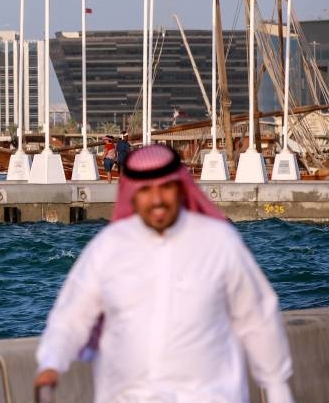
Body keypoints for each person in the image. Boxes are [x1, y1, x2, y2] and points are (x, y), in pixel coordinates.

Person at [34, 144, 293, 403]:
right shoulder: (109, 248)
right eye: (145, 190)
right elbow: (72, 316)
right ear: (132, 194)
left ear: (180, 188)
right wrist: (51, 362)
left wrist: (277, 389)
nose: (157, 199)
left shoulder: (218, 242)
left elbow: (257, 318)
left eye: (165, 187)